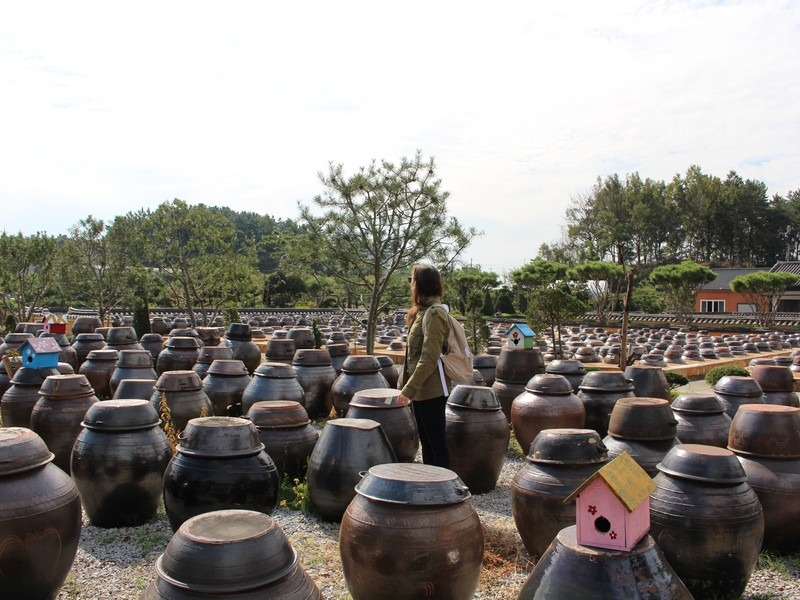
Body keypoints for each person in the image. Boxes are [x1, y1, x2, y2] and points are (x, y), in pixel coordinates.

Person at [398, 264, 451, 468]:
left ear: (421, 283)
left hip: (432, 389)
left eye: (412, 279)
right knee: (427, 444)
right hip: (420, 389)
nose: (410, 284)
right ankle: (431, 488)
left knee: (436, 444)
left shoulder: (435, 314)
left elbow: (429, 357)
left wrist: (408, 389)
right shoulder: (421, 311)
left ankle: (445, 492)